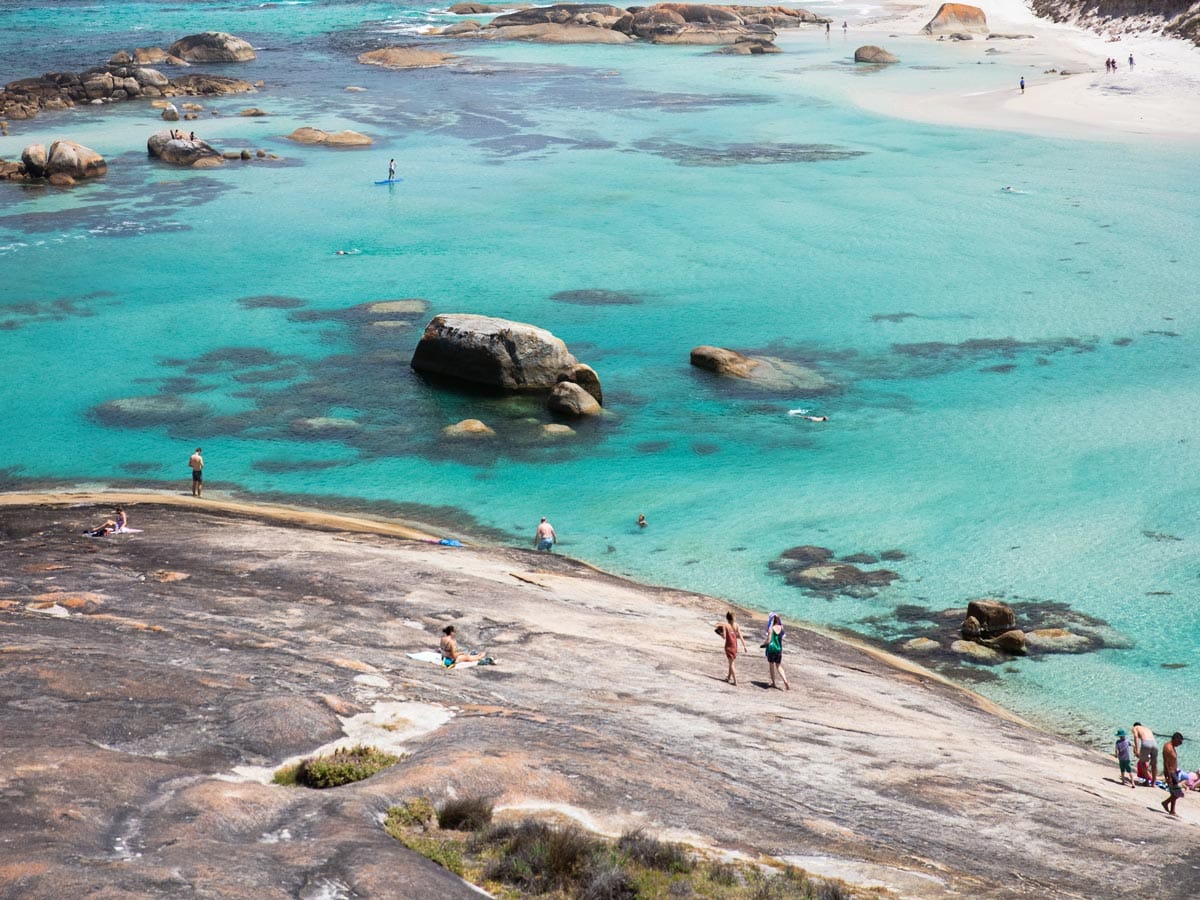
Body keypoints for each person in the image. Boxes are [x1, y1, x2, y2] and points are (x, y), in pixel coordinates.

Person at [716, 611, 748, 685]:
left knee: (731, 664)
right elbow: (740, 636)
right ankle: (728, 677)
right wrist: (744, 646)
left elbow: (724, 637)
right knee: (731, 662)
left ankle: (735, 681)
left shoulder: (725, 626)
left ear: (727, 618)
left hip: (728, 646)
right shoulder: (737, 625)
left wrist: (720, 633)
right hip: (735, 646)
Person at [762, 613, 790, 690]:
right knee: (779, 666)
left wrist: (763, 645)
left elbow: (769, 640)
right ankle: (785, 681)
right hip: (778, 649)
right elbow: (781, 640)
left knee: (771, 666)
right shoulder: (781, 628)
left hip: (771, 650)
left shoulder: (771, 629)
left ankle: (773, 683)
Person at [1162, 732, 1184, 816]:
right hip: (1170, 772)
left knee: (1175, 792)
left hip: (1174, 772)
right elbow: (1166, 762)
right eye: (1179, 742)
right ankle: (1167, 804)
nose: (1180, 744)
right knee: (1178, 793)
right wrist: (1169, 776)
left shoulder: (1172, 747)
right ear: (1175, 739)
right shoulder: (1168, 747)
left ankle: (1172, 809)